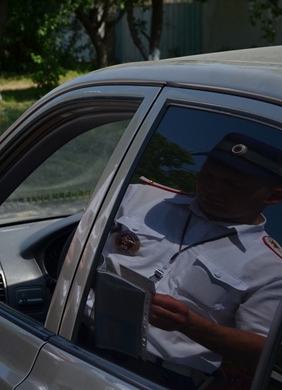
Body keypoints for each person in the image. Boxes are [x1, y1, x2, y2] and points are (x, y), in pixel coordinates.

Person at [100, 132, 282, 384]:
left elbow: (261, 349)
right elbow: (77, 246)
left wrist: (190, 324)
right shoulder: (140, 197)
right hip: (76, 331)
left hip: (156, 374)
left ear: (273, 197)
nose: (211, 188)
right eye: (207, 175)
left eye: (233, 185)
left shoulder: (272, 266)